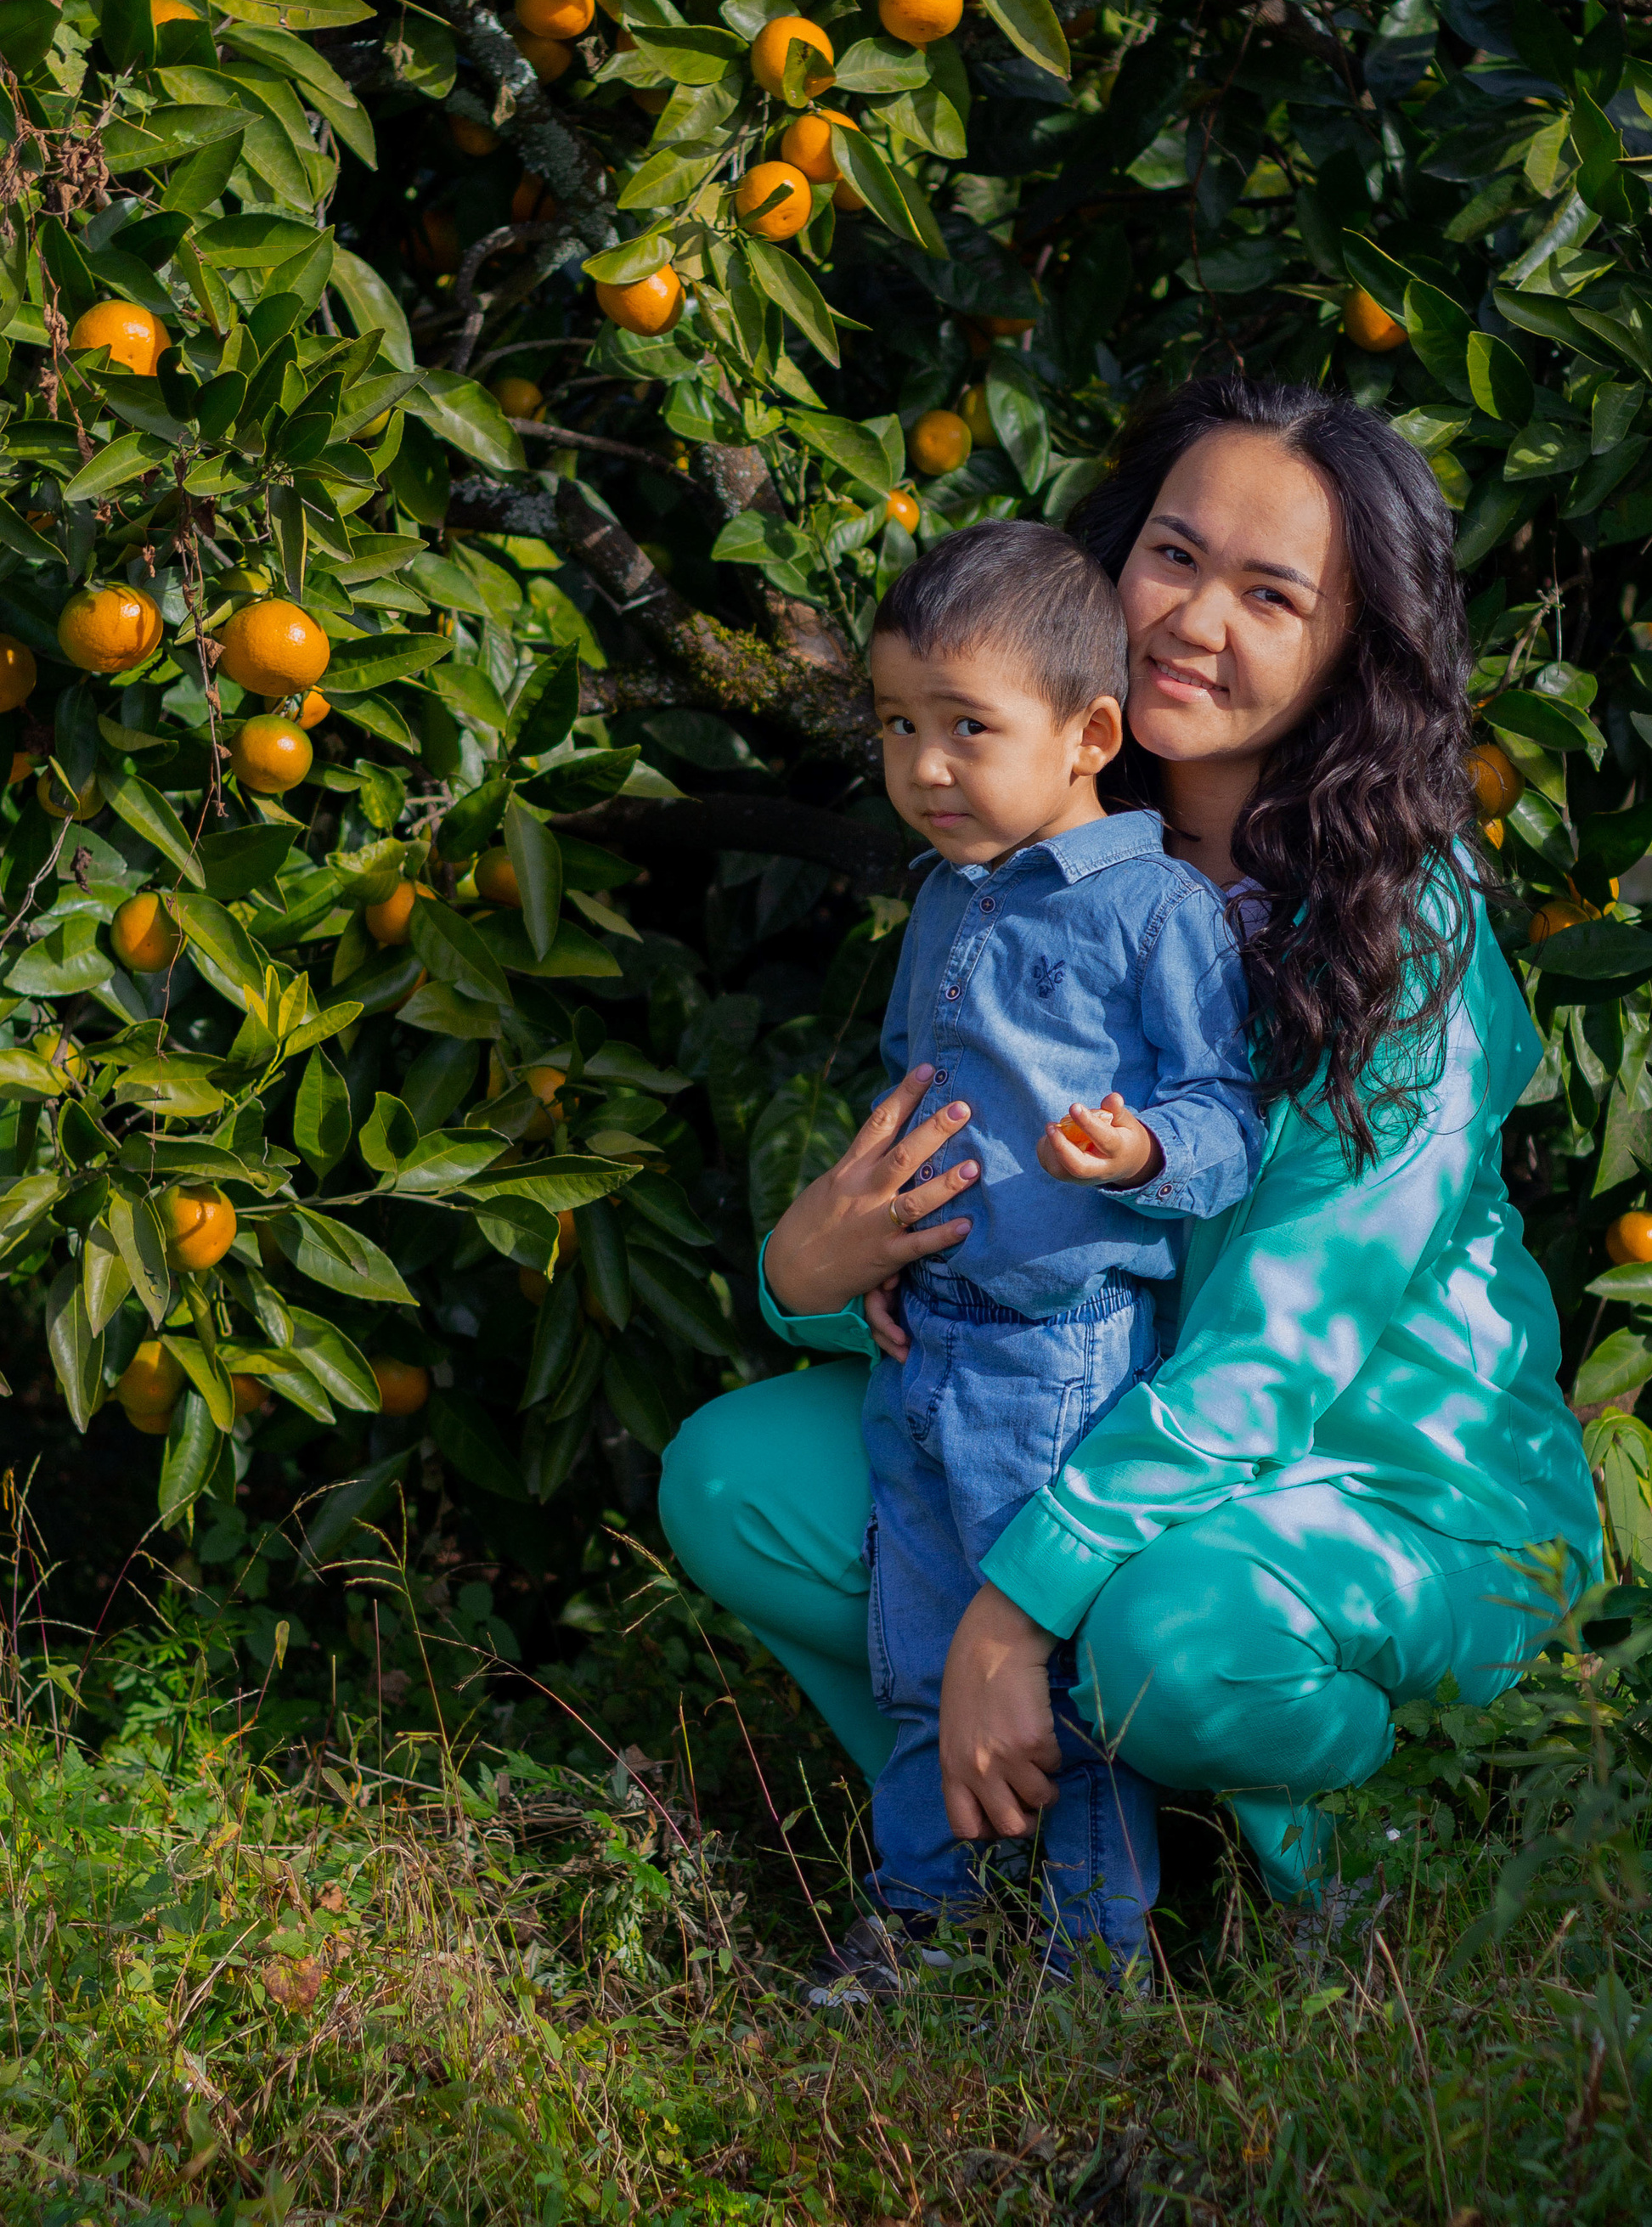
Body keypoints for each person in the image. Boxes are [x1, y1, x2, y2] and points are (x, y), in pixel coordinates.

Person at [658, 375, 1601, 1963]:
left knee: (1173, 1639)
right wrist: (811, 1279)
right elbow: (990, 1238)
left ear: (1350, 652)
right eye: (1173, 556)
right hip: (1085, 1437)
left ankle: (1364, 1886)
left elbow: (1272, 1357)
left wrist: (1011, 1611)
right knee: (736, 1480)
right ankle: (1002, 1849)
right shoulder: (1035, 859)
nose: (1194, 621)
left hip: (1378, 1493)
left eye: (1272, 594)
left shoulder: (1402, 927)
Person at [797, 519, 1261, 1992]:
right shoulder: (948, 900)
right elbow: (908, 1093)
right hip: (928, 1335)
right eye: (900, 727)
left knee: (1047, 1676)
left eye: (966, 730)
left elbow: (1231, 1112)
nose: (925, 766)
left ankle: (1093, 1963)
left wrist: (1142, 1155)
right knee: (923, 1658)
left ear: (1089, 736)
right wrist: (878, 1240)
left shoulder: (1151, 910)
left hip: (1062, 1355)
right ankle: (925, 1925)